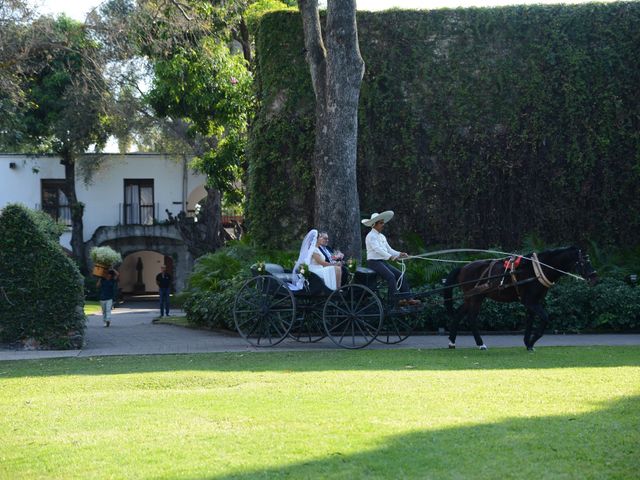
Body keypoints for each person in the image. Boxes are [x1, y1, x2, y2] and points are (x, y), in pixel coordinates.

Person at [362, 211, 420, 306]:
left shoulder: (382, 237)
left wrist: (399, 254)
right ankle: (394, 301)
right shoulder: (370, 236)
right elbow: (377, 250)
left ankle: (408, 298)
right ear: (374, 224)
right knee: (391, 277)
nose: (383, 225)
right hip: (373, 263)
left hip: (381, 262)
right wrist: (390, 257)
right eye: (381, 223)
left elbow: (389, 249)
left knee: (400, 275)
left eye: (383, 222)